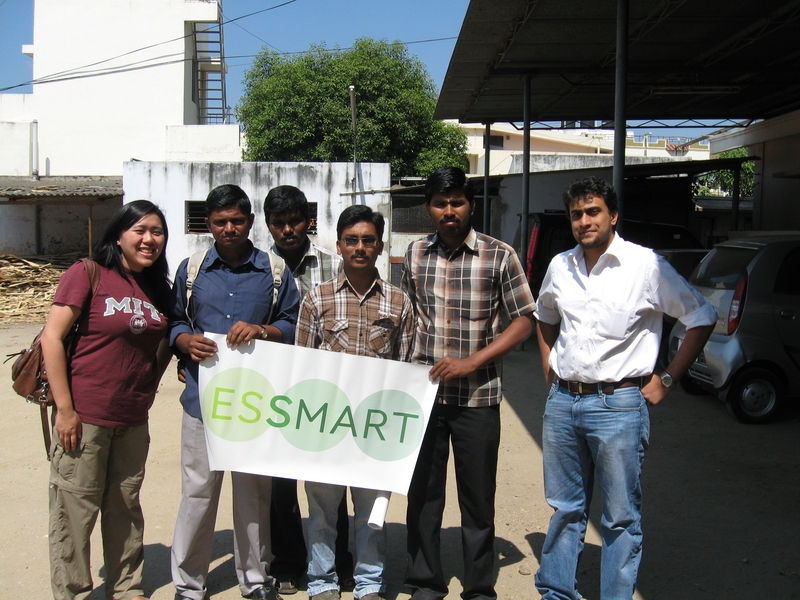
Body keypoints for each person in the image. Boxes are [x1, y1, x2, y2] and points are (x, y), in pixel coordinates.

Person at [533, 176, 716, 600]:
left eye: (593, 211)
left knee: (619, 517)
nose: (584, 221)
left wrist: (667, 379)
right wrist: (547, 362)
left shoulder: (645, 266)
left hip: (618, 406)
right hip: (562, 404)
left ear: (612, 215)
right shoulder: (561, 265)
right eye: (576, 214)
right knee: (565, 509)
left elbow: (701, 316)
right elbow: (545, 315)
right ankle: (557, 592)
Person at [402, 167, 537, 600]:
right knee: (423, 496)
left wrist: (471, 362)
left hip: (478, 398)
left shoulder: (499, 255)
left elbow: (524, 321)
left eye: (456, 202)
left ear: (471, 206)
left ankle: (479, 587)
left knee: (478, 500)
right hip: (424, 399)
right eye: (440, 203)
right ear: (429, 208)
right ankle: (425, 581)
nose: (448, 211)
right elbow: (408, 318)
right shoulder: (414, 254)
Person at [169, 184, 300, 600]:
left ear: (250, 222)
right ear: (208, 224)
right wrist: (183, 341)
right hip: (201, 404)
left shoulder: (275, 271)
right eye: (221, 221)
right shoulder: (190, 270)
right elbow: (173, 320)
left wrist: (263, 330)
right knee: (197, 495)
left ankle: (256, 580)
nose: (229, 228)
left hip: (254, 406)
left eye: (237, 221)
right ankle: (188, 585)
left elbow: (294, 324)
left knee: (253, 498)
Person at [41, 200, 173, 600]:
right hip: (85, 415)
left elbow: (163, 343)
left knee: (125, 507)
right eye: (140, 230)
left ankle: (126, 586)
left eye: (157, 231)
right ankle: (74, 592)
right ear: (119, 234)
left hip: (132, 419)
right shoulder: (88, 273)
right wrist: (65, 410)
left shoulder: (158, 289)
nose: (150, 239)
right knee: (75, 511)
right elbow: (51, 338)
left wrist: (148, 388)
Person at [295, 205, 415, 600]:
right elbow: (301, 365)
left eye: (368, 240)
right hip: (325, 424)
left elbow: (407, 368)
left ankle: (368, 583)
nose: (359, 248)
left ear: (380, 247)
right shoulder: (316, 299)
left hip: (374, 428)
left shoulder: (399, 303)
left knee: (372, 515)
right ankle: (322, 581)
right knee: (322, 514)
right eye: (352, 240)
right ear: (339, 245)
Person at [263, 185, 352, 596]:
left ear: (308, 221)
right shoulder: (258, 268)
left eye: (294, 221)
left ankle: (340, 561)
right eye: (278, 223)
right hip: (275, 390)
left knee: (330, 481)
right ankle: (287, 562)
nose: (287, 229)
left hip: (326, 392)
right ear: (268, 226)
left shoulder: (337, 266)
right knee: (279, 485)